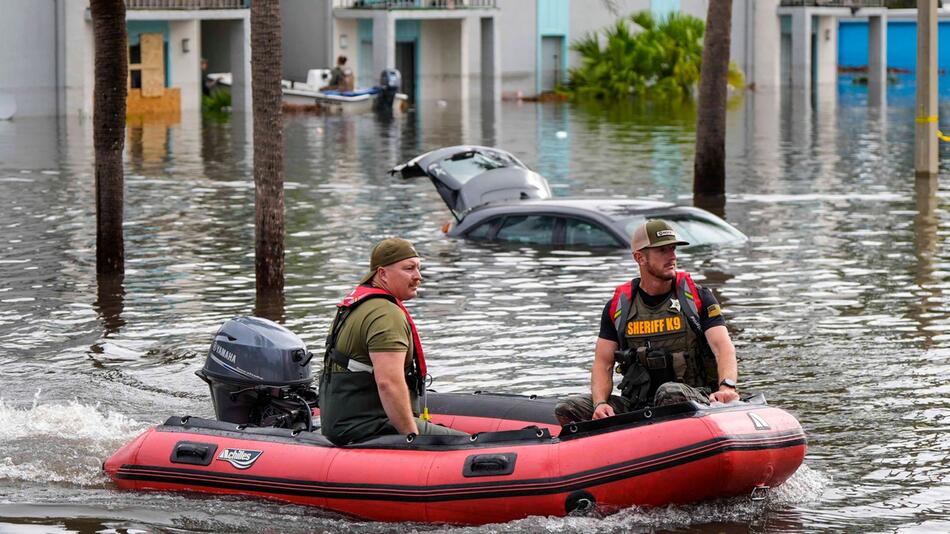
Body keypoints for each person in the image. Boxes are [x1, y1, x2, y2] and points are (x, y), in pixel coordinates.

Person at [555, 220, 740, 424]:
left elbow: (722, 348)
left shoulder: (697, 298)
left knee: (669, 393)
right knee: (568, 408)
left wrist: (727, 387)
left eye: (673, 249)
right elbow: (603, 363)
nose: (672, 256)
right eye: (662, 250)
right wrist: (600, 404)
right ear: (640, 257)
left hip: (694, 398)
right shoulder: (618, 307)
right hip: (638, 405)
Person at [319, 238, 467, 445]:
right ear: (382, 274)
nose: (418, 277)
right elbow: (388, 383)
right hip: (369, 426)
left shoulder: (357, 305)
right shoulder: (386, 315)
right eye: (409, 269)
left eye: (418, 268)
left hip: (342, 424)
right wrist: (412, 437)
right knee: (470, 445)